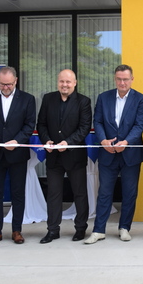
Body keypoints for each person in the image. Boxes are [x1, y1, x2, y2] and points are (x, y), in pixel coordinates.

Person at [85, 64, 143, 244]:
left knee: (129, 193)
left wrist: (126, 142)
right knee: (104, 192)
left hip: (130, 154)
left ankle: (124, 228)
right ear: (115, 79)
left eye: (126, 79)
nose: (122, 82)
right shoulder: (103, 97)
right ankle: (98, 230)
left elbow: (139, 125)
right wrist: (103, 140)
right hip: (107, 152)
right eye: (119, 79)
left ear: (132, 79)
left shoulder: (140, 99)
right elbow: (97, 121)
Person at [0, 66, 36, 245]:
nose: (5, 87)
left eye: (9, 84)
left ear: (16, 81)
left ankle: (17, 230)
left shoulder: (27, 99)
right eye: (2, 84)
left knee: (18, 193)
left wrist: (17, 141)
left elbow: (29, 125)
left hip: (17, 154)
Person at [37, 69, 92, 243]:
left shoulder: (83, 101)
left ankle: (80, 229)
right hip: (53, 156)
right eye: (62, 81)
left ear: (75, 83)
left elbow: (84, 128)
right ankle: (52, 230)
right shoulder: (48, 99)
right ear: (57, 82)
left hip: (74, 156)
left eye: (68, 82)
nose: (65, 85)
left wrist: (67, 143)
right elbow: (41, 124)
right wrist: (47, 140)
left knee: (79, 194)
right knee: (53, 195)